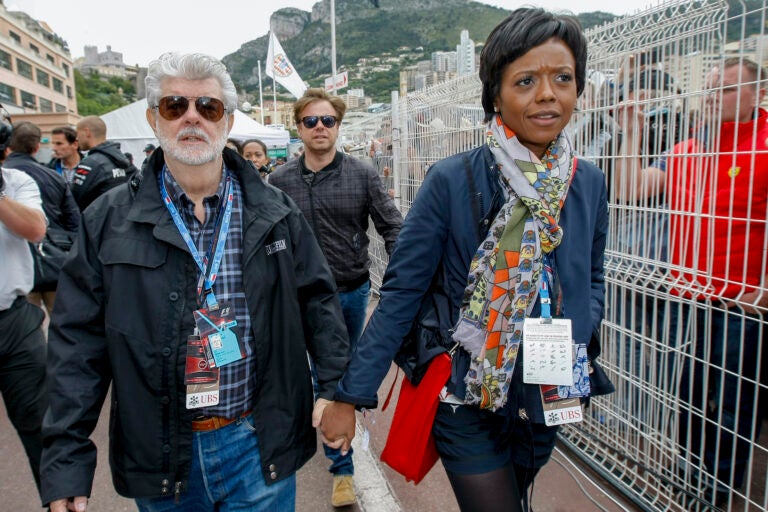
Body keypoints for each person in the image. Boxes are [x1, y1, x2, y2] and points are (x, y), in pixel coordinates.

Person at [320, 9, 612, 512]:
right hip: (466, 391)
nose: (547, 94)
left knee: (518, 496)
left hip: (549, 386)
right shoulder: (451, 180)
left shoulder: (586, 181)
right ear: (495, 95)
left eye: (562, 78)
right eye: (526, 81)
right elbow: (402, 294)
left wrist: (580, 332)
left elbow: (592, 274)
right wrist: (351, 395)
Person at [40, 52, 353, 512]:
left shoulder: (276, 212)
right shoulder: (107, 220)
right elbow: (77, 343)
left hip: (256, 444)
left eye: (207, 107)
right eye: (174, 106)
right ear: (153, 118)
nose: (191, 117)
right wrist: (65, 459)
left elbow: (319, 304)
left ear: (226, 121)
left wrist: (334, 391)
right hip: (162, 452)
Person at [613, 56, 768, 506]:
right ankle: (689, 471)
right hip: (691, 295)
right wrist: (632, 133)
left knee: (735, 402)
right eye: (712, 87)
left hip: (742, 302)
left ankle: (719, 490)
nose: (714, 97)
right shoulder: (687, 150)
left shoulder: (762, 145)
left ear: (758, 94)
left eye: (727, 89)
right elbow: (629, 187)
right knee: (690, 391)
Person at [270, 87, 403, 508]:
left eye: (327, 120)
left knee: (341, 379)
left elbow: (393, 228)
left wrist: (402, 283)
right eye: (311, 121)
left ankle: (341, 469)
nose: (320, 128)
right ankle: (326, 446)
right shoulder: (279, 182)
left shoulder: (362, 174)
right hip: (296, 299)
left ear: (339, 125)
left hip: (349, 293)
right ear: (299, 127)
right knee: (308, 378)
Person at [0, 110, 49, 495]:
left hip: (13, 320)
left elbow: (34, 228)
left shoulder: (16, 182)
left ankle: (57, 499)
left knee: (38, 421)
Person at [4, 122, 80, 313]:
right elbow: (74, 223)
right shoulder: (53, 176)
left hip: (14, 271)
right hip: (53, 260)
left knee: (27, 325)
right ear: (37, 147)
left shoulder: (9, 178)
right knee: (62, 324)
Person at [71, 116, 131, 210]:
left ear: (87, 132)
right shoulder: (120, 159)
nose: (77, 139)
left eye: (77, 134)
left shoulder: (90, 163)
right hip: (117, 216)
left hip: (96, 219)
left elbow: (75, 200)